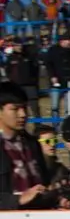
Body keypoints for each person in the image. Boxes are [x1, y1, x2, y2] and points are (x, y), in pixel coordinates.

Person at [0, 81, 52, 210]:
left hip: (37, 218)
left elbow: (44, 181)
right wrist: (18, 199)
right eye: (15, 109)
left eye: (24, 108)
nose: (23, 114)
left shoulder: (32, 144)